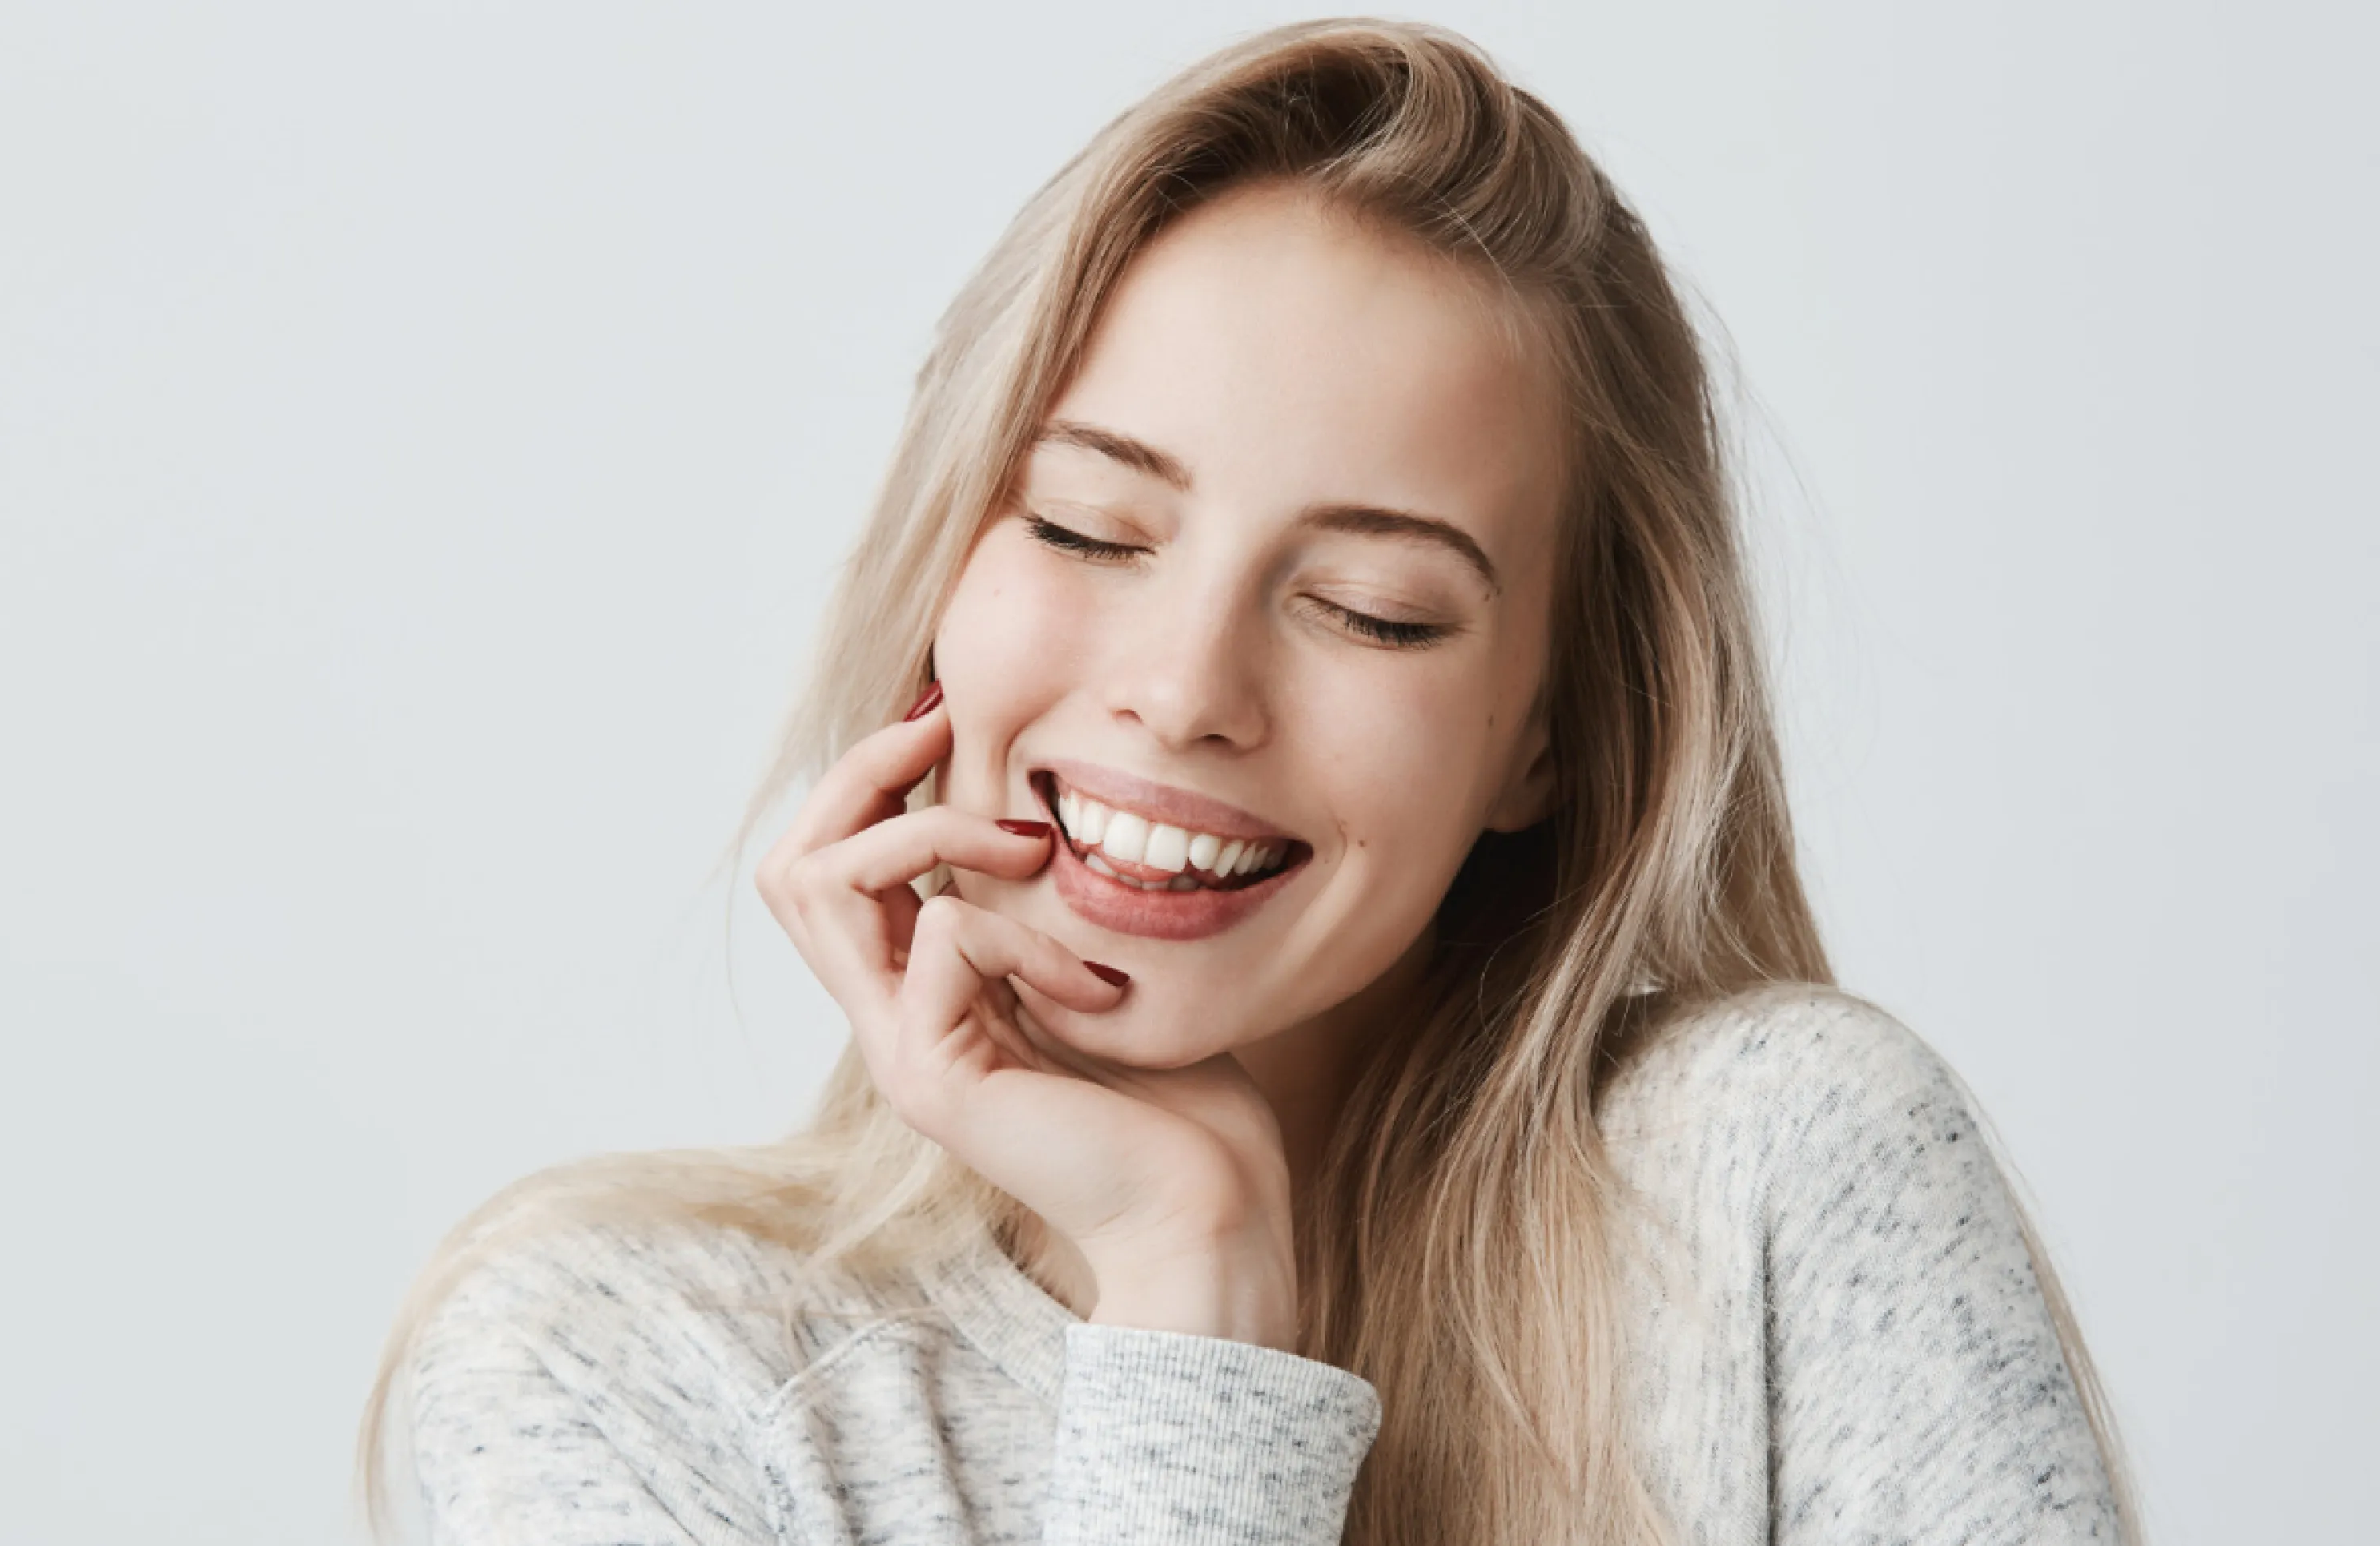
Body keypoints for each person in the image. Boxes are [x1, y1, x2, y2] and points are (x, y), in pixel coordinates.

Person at [354, 18, 2135, 1544]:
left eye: (1371, 608)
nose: (1185, 692)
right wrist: (1189, 1282)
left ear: (1550, 736)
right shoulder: (623, 1358)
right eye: (1087, 524)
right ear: (947, 563)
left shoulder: (1773, 1178)